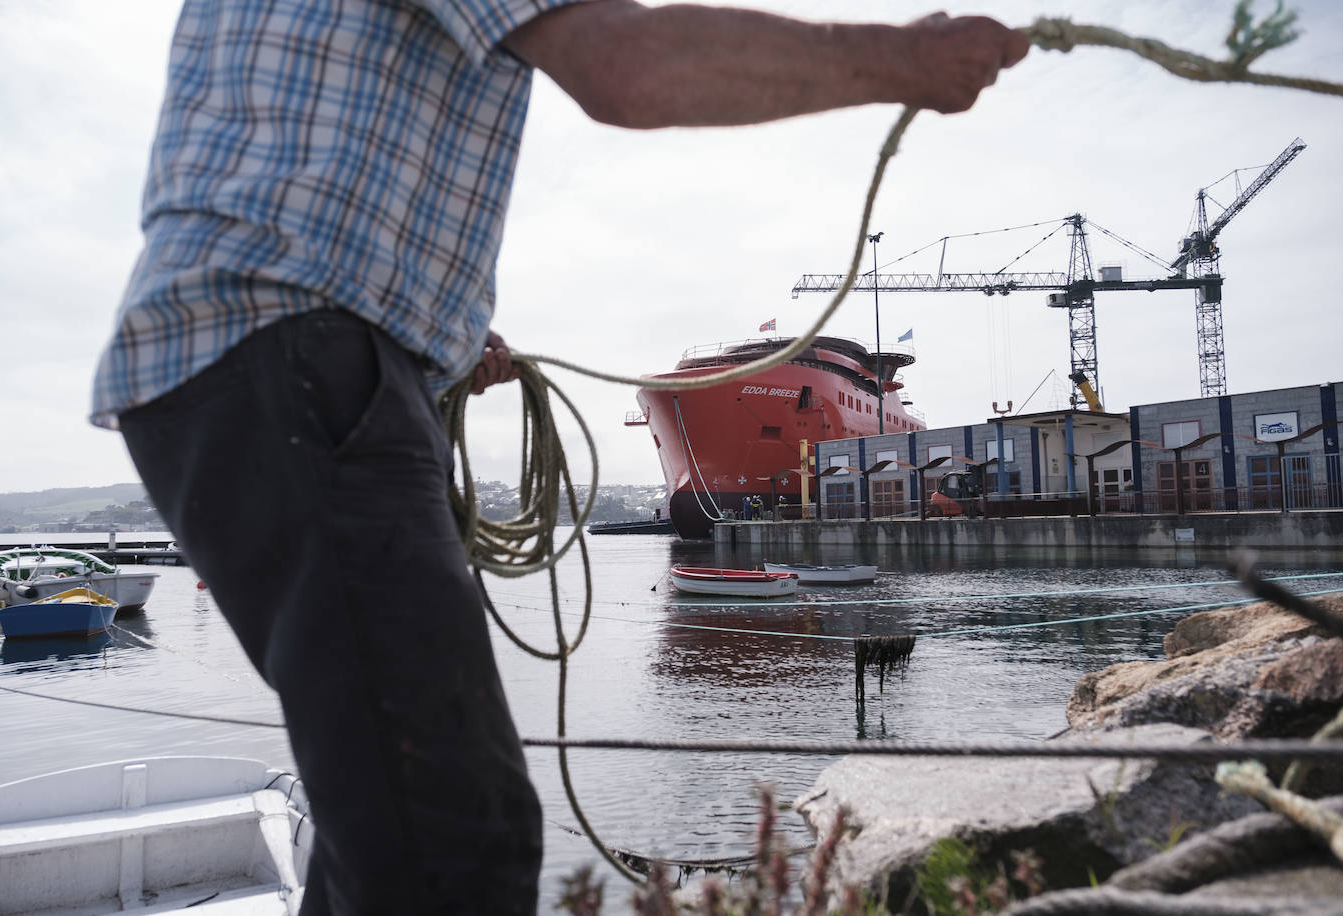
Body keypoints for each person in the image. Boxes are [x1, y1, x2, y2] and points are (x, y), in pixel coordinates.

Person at [90, 2, 1027, 912]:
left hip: (233, 363)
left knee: (392, 817)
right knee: (457, 832)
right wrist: (904, 59)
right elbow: (625, 62)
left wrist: (437, 339)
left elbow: (306, 157)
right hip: (299, 358)